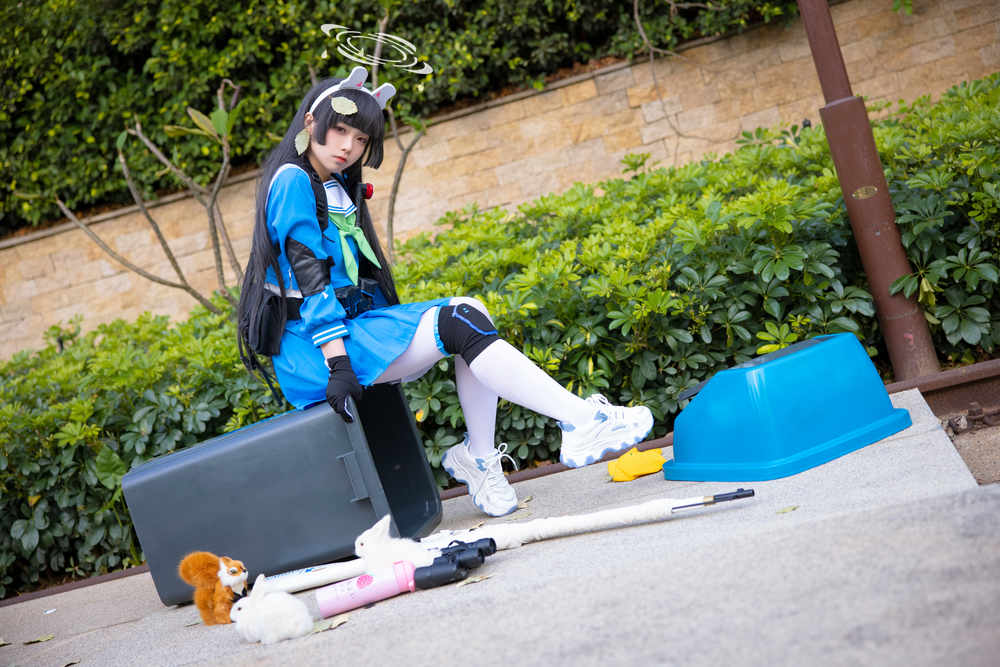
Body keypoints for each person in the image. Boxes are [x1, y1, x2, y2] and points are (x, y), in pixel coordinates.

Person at [237, 67, 654, 517]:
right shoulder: (293, 181)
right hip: (314, 352)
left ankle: (480, 458)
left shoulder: (334, 186)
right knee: (459, 323)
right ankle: (580, 420)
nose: (348, 147)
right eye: (339, 131)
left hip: (351, 331)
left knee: (470, 310)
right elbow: (310, 279)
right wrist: (338, 364)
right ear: (310, 123)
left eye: (359, 139)